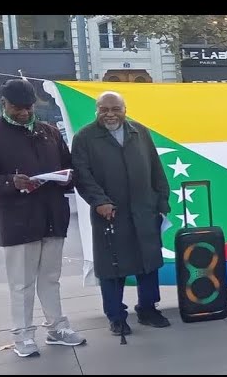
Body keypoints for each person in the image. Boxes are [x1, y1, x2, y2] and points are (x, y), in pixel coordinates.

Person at [0, 78, 86, 357]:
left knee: (50, 277)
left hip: (52, 215)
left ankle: (56, 327)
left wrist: (66, 178)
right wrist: (11, 182)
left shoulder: (49, 131)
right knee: (21, 282)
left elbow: (68, 166)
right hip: (19, 220)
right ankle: (23, 335)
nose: (23, 112)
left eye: (28, 107)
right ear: (3, 104)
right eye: (17, 107)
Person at [71, 91, 171, 335]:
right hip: (110, 214)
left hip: (143, 210)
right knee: (112, 266)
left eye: (115, 108)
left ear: (125, 109)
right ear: (97, 110)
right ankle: (116, 316)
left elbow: (155, 168)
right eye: (104, 109)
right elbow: (82, 176)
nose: (110, 114)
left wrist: (161, 200)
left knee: (148, 262)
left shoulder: (139, 132)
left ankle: (148, 309)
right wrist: (99, 201)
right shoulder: (85, 137)